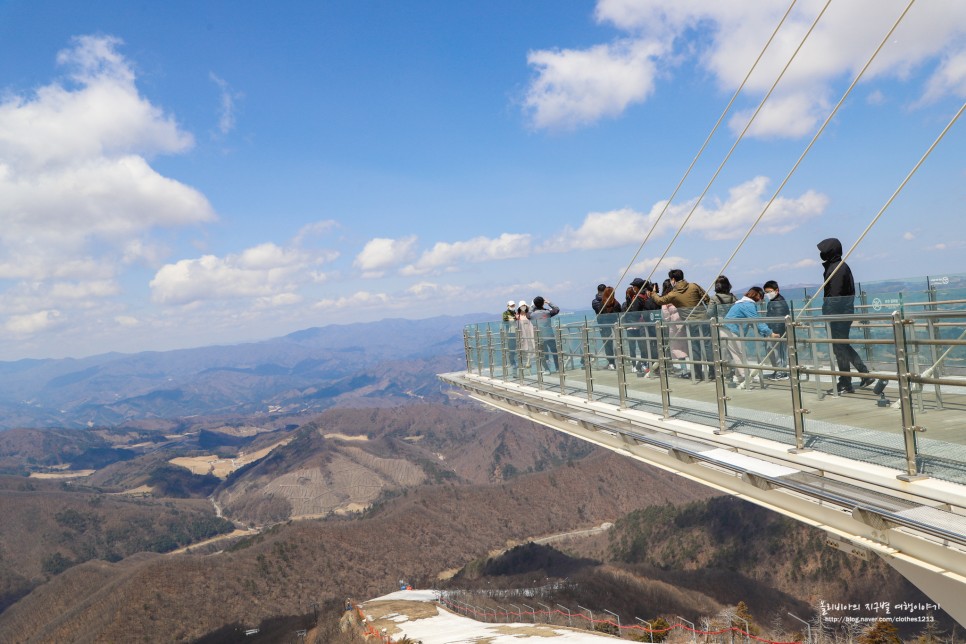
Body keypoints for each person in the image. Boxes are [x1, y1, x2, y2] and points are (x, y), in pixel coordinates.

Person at [818, 238, 873, 393]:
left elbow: (834, 296)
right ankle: (863, 375)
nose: (821, 254)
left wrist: (827, 314)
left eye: (823, 250)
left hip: (838, 315)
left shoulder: (836, 269)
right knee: (842, 346)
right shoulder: (837, 267)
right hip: (842, 313)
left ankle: (845, 382)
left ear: (830, 251)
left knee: (840, 348)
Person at [651, 269, 713, 380]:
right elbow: (707, 299)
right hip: (704, 320)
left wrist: (653, 293)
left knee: (695, 347)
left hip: (691, 323)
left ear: (673, 280)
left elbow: (660, 301)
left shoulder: (673, 294)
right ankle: (713, 372)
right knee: (708, 346)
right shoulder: (694, 286)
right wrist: (708, 313)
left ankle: (698, 374)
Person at [722, 287, 780, 389]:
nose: (761, 300)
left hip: (726, 330)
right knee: (739, 354)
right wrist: (770, 333)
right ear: (757, 295)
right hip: (731, 331)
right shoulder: (748, 305)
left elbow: (753, 322)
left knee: (738, 353)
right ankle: (746, 378)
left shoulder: (741, 303)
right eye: (761, 297)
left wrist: (765, 333)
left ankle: (739, 377)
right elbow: (756, 320)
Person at [624, 278, 660, 376]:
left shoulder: (638, 297)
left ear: (638, 287)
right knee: (655, 345)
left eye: (634, 286)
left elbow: (635, 313)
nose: (633, 288)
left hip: (644, 325)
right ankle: (655, 367)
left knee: (646, 347)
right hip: (654, 323)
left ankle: (649, 367)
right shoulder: (648, 295)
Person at [763, 280, 790, 379]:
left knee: (780, 353)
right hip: (772, 330)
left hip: (779, 332)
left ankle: (782, 373)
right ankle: (777, 371)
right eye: (766, 292)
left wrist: (776, 332)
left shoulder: (779, 302)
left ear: (776, 290)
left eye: (769, 291)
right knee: (775, 353)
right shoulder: (773, 301)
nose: (767, 294)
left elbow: (780, 318)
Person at [527, 296, 560, 374]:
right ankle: (558, 368)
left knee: (542, 354)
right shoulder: (547, 312)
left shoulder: (531, 315)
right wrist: (548, 302)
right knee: (554, 352)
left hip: (539, 337)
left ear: (534, 304)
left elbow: (528, 314)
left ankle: (547, 370)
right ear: (543, 304)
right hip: (550, 335)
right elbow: (557, 309)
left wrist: (534, 305)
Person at [597, 286, 622, 369]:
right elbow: (620, 315)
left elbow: (599, 317)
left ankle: (611, 362)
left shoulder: (602, 304)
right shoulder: (616, 303)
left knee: (608, 345)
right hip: (615, 326)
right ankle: (620, 360)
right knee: (619, 343)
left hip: (605, 327)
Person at [516, 300, 535, 369]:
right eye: (522, 306)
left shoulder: (528, 314)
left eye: (524, 306)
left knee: (530, 346)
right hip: (522, 333)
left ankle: (528, 361)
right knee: (523, 347)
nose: (523, 307)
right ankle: (524, 362)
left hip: (530, 332)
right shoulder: (517, 315)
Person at [502, 300, 517, 369]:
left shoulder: (515, 312)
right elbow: (505, 319)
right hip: (510, 333)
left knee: (517, 348)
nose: (512, 307)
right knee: (511, 349)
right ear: (508, 306)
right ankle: (512, 363)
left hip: (516, 332)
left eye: (513, 305)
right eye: (511, 306)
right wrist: (514, 318)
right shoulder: (505, 313)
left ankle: (516, 362)